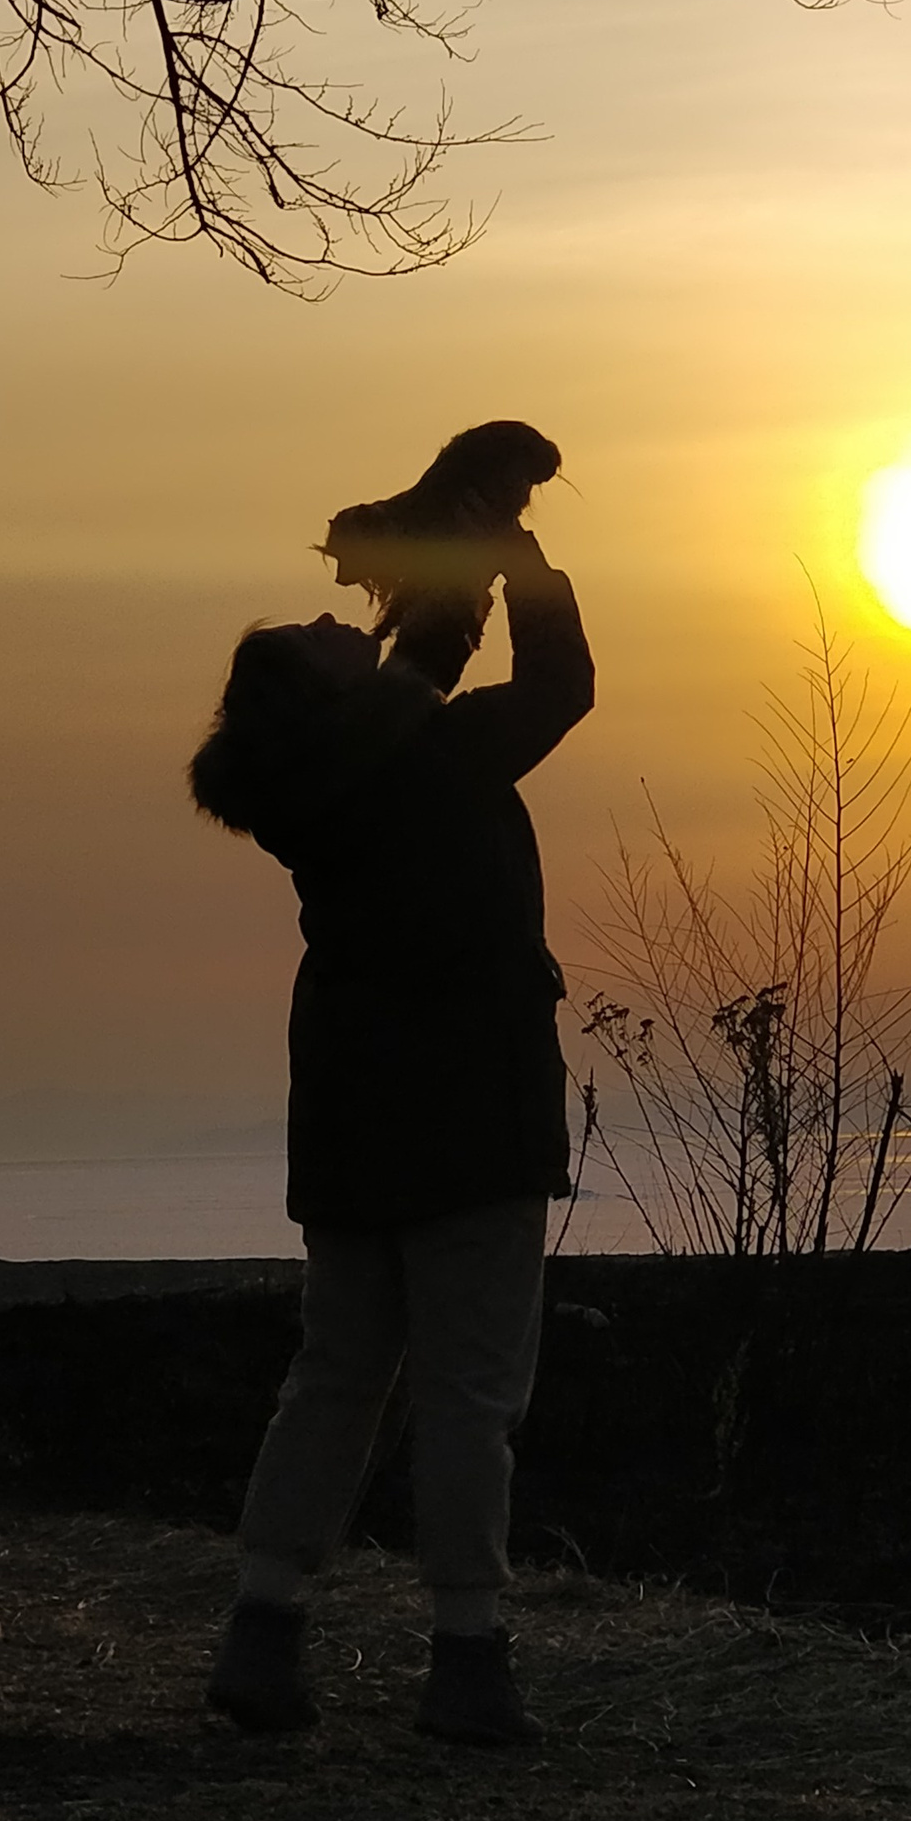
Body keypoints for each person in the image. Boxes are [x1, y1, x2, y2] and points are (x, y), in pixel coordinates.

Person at [187, 488, 593, 1746]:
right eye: (315, 632)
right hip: (471, 1107)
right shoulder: (424, 757)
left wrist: (452, 582)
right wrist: (508, 565)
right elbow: (557, 686)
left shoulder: (319, 788)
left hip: (357, 1113)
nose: (327, 613)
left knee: (337, 1379)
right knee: (472, 1395)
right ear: (320, 694)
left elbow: (419, 682)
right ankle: (467, 1656)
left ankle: (264, 1632)